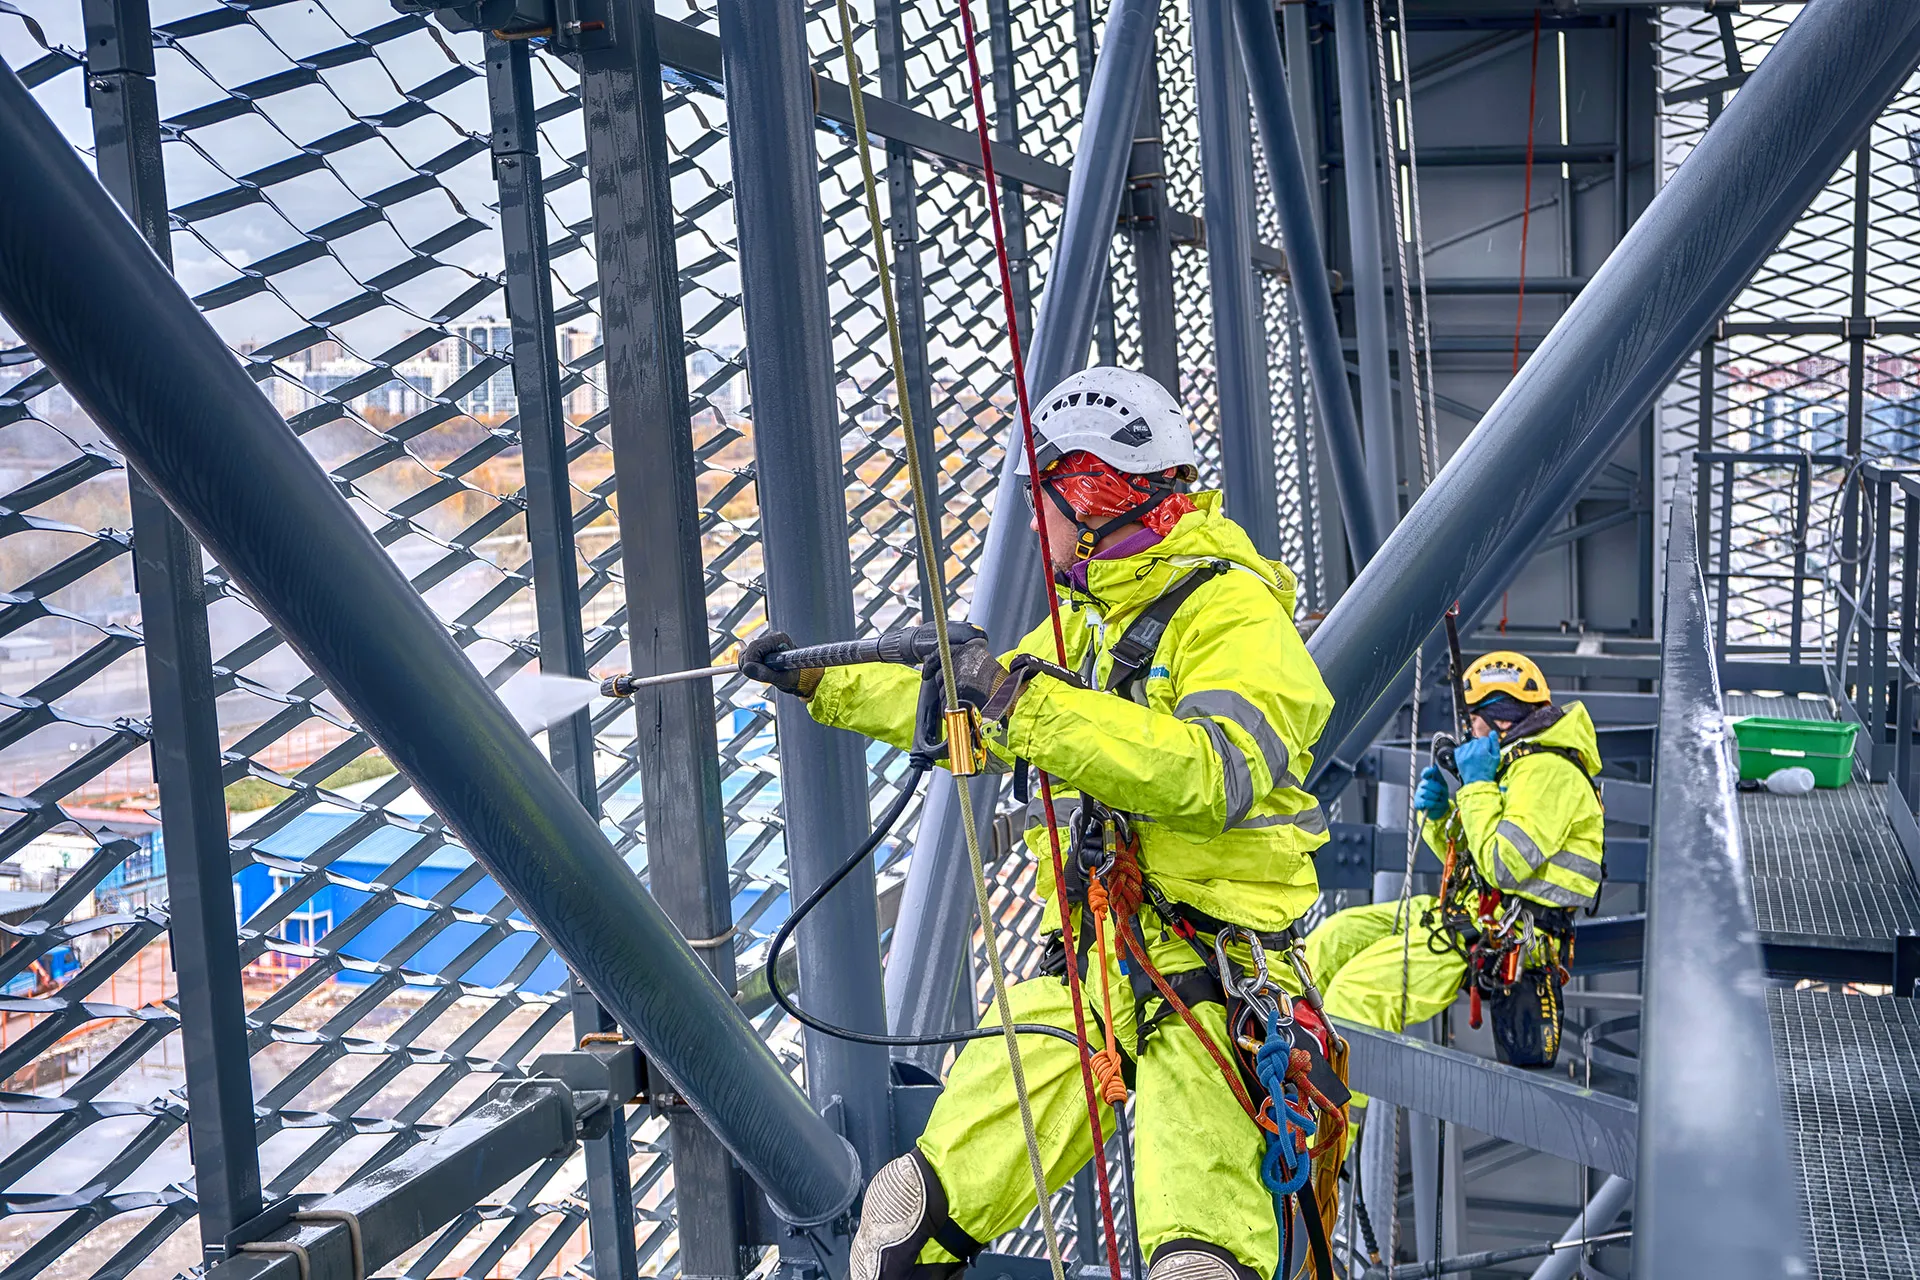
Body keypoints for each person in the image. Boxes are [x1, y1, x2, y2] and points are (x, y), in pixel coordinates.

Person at [739, 366, 1336, 1280]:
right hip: (1095, 971)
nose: (1031, 520)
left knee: (1199, 1266)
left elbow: (1212, 772)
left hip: (1210, 982)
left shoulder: (1234, 616)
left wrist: (1026, 706)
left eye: (1040, 497)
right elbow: (958, 698)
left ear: (1091, 489)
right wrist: (822, 678)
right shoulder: (1096, 619)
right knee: (903, 1229)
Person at [1302, 650, 1605, 1068]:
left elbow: (1503, 864)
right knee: (1331, 939)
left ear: (1499, 719)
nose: (1469, 732)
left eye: (1474, 722)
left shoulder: (1549, 771)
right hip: (1471, 913)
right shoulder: (1515, 767)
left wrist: (1477, 786)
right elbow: (1472, 860)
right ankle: (1280, 1058)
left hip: (1506, 932)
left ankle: (1330, 1127)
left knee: (1357, 997)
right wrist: (1441, 816)